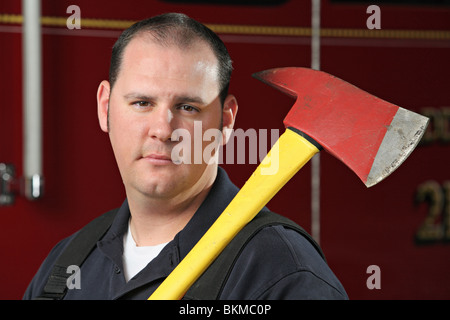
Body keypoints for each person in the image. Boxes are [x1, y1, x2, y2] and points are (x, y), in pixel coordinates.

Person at [23, 13, 348, 300]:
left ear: (226, 121)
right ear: (105, 107)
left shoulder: (281, 273)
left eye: (188, 107)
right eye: (142, 103)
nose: (163, 130)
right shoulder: (65, 267)